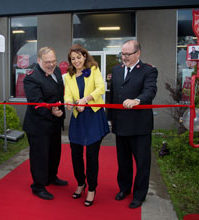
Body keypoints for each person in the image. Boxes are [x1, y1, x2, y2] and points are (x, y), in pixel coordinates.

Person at [108, 40, 158, 209]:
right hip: (121, 123)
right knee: (123, 161)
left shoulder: (148, 70)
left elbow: (150, 91)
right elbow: (112, 94)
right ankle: (124, 189)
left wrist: (137, 100)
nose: (124, 57)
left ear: (138, 54)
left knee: (142, 162)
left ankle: (139, 195)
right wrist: (110, 118)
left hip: (139, 126)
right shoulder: (116, 70)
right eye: (122, 54)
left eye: (128, 54)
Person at [64, 44, 109, 207]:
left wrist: (85, 99)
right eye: (73, 59)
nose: (76, 61)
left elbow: (101, 88)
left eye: (79, 57)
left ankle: (92, 188)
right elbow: (67, 94)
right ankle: (81, 183)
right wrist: (70, 104)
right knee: (75, 154)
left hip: (93, 116)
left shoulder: (94, 70)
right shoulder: (68, 76)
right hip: (78, 117)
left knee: (91, 155)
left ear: (85, 56)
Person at [23, 47, 67, 200]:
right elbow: (36, 102)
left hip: (55, 122)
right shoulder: (31, 77)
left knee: (55, 153)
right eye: (48, 62)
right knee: (40, 157)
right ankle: (38, 186)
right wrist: (51, 111)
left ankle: (51, 177)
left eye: (54, 61)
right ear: (39, 60)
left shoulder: (57, 72)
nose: (51, 64)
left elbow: (59, 92)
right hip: (38, 124)